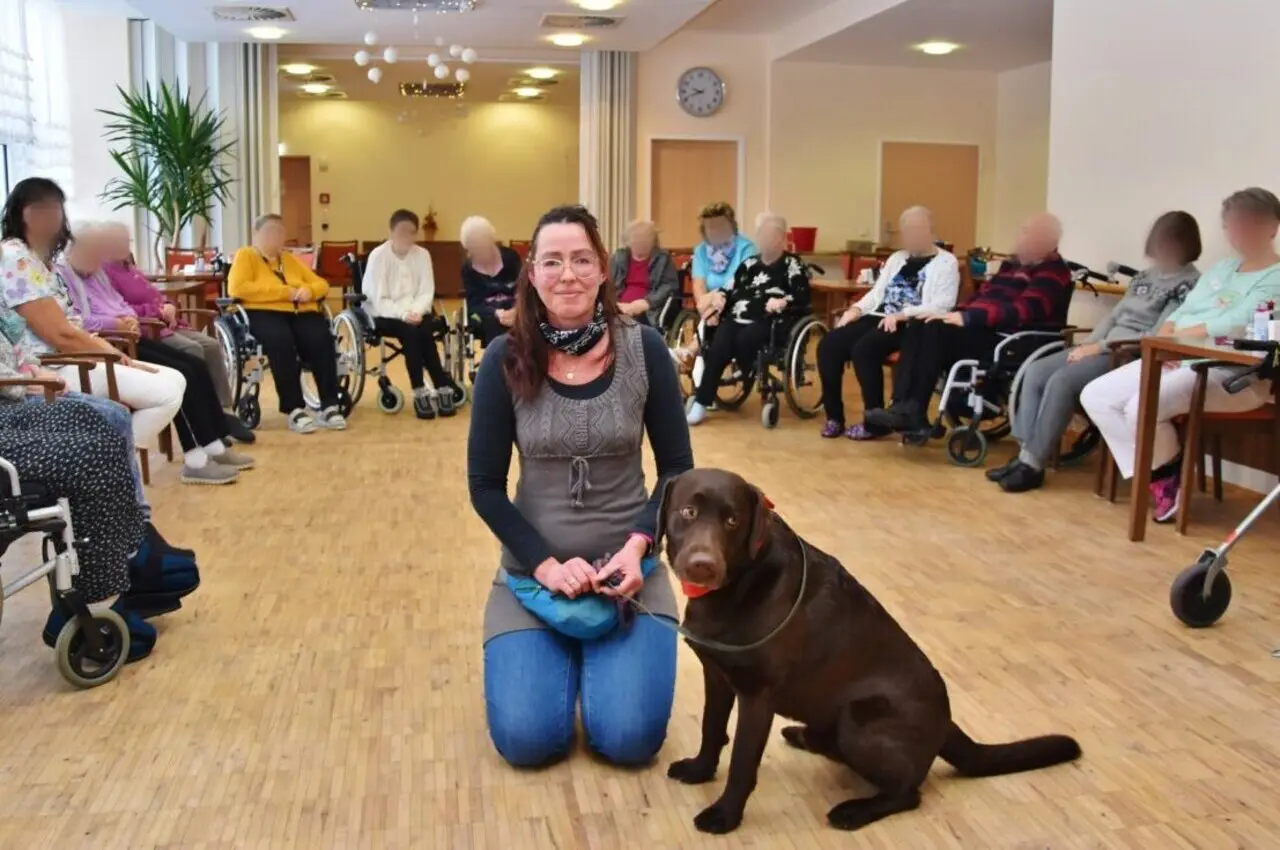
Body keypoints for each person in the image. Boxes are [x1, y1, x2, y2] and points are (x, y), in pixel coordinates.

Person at [468, 204, 693, 768]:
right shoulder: (504, 358)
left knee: (629, 741)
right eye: (552, 261)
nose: (566, 274)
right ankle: (557, 649)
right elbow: (485, 487)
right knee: (526, 742)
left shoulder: (645, 352)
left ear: (601, 272)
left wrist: (639, 548)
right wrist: (545, 565)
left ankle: (595, 656)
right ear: (533, 275)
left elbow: (676, 473)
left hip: (627, 577)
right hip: (532, 576)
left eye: (581, 259)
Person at [1081, 188, 1280, 522]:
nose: (1239, 231)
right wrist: (1171, 336)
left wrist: (1180, 337)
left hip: (1233, 376)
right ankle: (1159, 474)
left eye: (1250, 223)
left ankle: (1160, 479)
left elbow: (1236, 323)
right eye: (1233, 224)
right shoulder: (1221, 270)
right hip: (1178, 360)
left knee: (1139, 407)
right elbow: (1185, 310)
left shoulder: (1275, 276)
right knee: (1096, 395)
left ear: (1273, 227)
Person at [992, 212, 1202, 493]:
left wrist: (1099, 347)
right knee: (1034, 371)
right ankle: (1024, 455)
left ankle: (1032, 465)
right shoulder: (1144, 276)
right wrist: (1086, 345)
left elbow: (1156, 333)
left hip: (1127, 354)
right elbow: (1114, 317)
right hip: (1101, 346)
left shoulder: (1189, 284)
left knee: (1062, 381)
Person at [58, 222, 254, 485]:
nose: (95, 256)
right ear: (72, 248)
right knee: (181, 373)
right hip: (110, 345)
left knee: (194, 363)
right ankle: (195, 460)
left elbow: (120, 304)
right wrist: (117, 323)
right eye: (89, 250)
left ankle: (214, 445)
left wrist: (126, 317)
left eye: (97, 250)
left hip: (129, 336)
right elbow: (78, 321)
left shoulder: (97, 275)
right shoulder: (65, 277)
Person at [0, 178, 186, 454]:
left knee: (176, 379)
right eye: (38, 208)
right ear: (19, 211)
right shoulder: (15, 255)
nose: (48, 216)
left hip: (75, 354)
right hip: (50, 366)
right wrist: (108, 351)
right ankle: (111, 461)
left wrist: (106, 349)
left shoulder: (38, 257)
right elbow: (59, 333)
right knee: (166, 393)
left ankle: (110, 463)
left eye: (54, 208)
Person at [866, 213, 1075, 436]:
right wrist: (958, 313)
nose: (1022, 238)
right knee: (921, 323)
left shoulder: (1053, 272)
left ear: (1049, 241)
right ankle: (903, 406)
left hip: (1010, 338)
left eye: (1030, 233)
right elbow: (981, 296)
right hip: (984, 329)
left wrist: (968, 318)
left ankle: (913, 411)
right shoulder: (1011, 265)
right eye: (1023, 231)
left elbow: (1024, 310)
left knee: (934, 332)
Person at [100, 221, 254, 444]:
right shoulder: (106, 272)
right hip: (147, 328)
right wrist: (157, 310)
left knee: (210, 345)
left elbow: (153, 293)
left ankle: (221, 411)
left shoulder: (130, 267)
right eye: (118, 241)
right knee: (192, 350)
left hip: (166, 322)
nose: (124, 245)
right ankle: (204, 418)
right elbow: (121, 309)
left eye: (126, 241)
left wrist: (167, 304)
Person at [818, 206, 959, 440]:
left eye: (918, 229)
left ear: (931, 231)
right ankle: (834, 417)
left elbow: (943, 304)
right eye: (908, 231)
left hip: (913, 323)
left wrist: (904, 314)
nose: (912, 236)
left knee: (864, 349)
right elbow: (877, 293)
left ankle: (874, 422)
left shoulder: (946, 262)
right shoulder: (897, 258)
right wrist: (856, 309)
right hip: (880, 316)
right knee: (829, 344)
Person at [687, 212, 811, 426]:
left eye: (772, 235)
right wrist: (719, 297)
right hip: (738, 315)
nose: (766, 240)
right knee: (718, 346)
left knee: (745, 338)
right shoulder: (749, 264)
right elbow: (731, 287)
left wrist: (784, 301)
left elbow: (802, 295)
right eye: (763, 235)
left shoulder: (792, 264)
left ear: (782, 239)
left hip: (771, 320)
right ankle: (701, 402)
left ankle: (745, 371)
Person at [227, 214, 346, 434]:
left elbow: (322, 284)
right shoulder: (246, 256)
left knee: (321, 338)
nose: (275, 236)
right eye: (270, 231)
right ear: (256, 235)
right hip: (261, 311)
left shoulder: (289, 259)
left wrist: (308, 291)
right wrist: (286, 293)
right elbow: (237, 288)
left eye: (280, 232)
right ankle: (294, 409)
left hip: (300, 311)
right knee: (280, 341)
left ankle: (329, 405)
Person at [363, 208, 463, 419]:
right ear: (391, 231)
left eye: (411, 232)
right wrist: (404, 314)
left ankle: (439, 385)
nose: (406, 236)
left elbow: (426, 290)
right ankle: (423, 388)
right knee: (413, 333)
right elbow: (378, 298)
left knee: (423, 330)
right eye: (401, 231)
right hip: (386, 314)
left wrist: (416, 311)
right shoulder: (378, 256)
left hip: (418, 312)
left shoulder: (422, 255)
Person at [671, 202, 756, 370]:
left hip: (740, 300)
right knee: (709, 308)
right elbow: (699, 285)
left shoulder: (746, 248)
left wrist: (713, 301)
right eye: (710, 227)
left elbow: (743, 283)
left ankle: (692, 350)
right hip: (711, 306)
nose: (715, 231)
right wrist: (706, 309)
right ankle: (697, 355)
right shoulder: (701, 251)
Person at [460, 215, 523, 346]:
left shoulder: (510, 258)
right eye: (473, 247)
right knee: (494, 325)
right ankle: (499, 362)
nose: (478, 251)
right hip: (488, 312)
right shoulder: (468, 268)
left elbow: (523, 288)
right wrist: (496, 313)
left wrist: (517, 310)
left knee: (525, 322)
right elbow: (474, 304)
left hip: (515, 307)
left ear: (490, 240)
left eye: (481, 244)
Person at [607, 220, 679, 327]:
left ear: (652, 241)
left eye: (643, 239)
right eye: (635, 239)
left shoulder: (663, 259)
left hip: (649, 311)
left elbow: (669, 286)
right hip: (619, 306)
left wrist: (646, 303)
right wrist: (614, 304)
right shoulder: (619, 257)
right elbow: (608, 283)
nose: (638, 242)